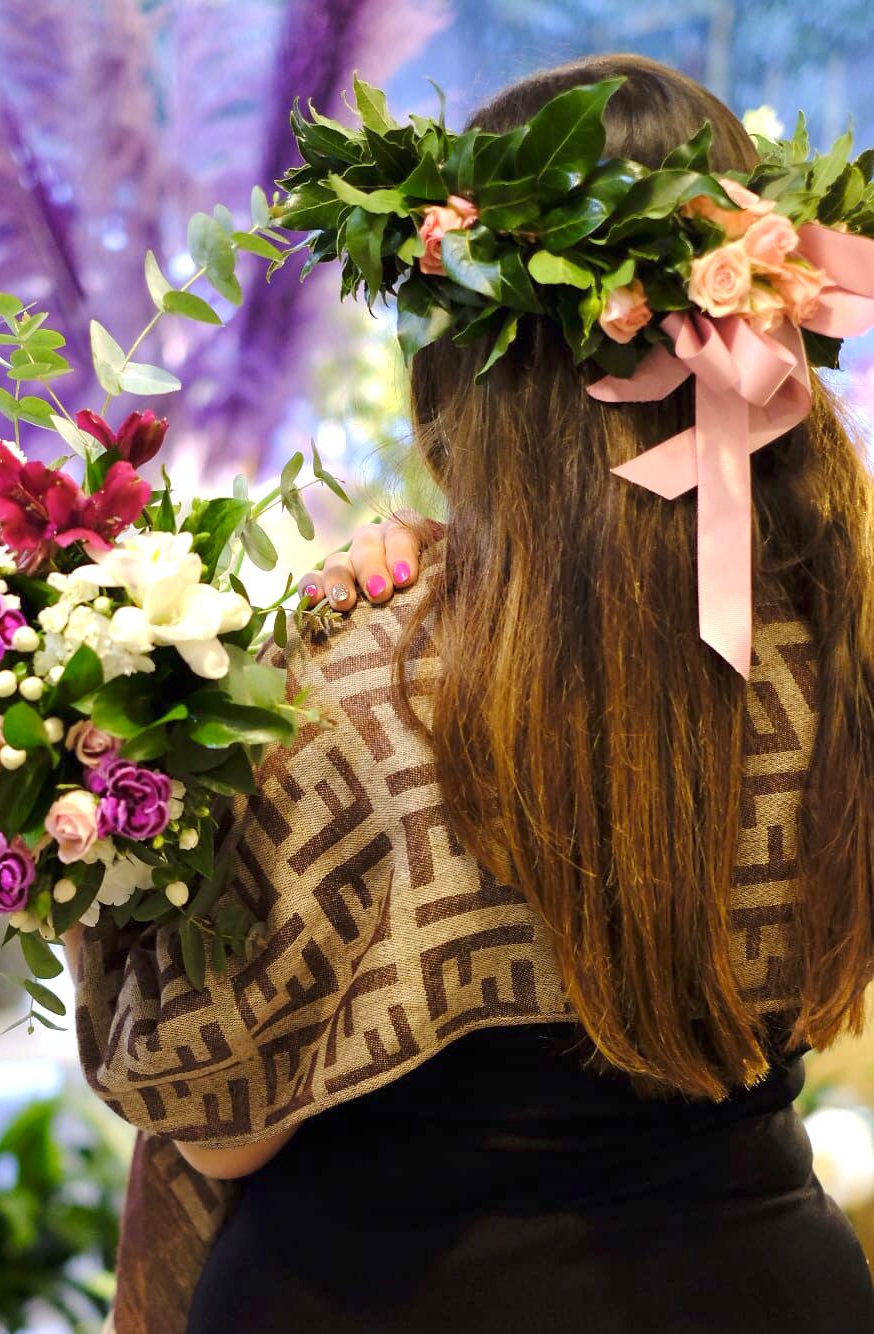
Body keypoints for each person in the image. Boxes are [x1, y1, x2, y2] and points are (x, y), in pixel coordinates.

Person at [69, 53, 874, 1333]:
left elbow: (209, 1118)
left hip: (376, 1293)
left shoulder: (348, 694)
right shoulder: (841, 656)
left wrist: (84, 850)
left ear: (462, 366)